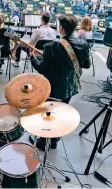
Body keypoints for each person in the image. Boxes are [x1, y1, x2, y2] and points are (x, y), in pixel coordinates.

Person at [29, 14, 91, 150]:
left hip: (53, 87)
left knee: (48, 113)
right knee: (60, 112)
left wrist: (32, 57)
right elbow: (86, 65)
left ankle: (43, 141)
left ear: (61, 28)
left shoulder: (52, 46)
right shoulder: (84, 44)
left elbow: (42, 68)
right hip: (70, 86)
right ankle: (55, 139)